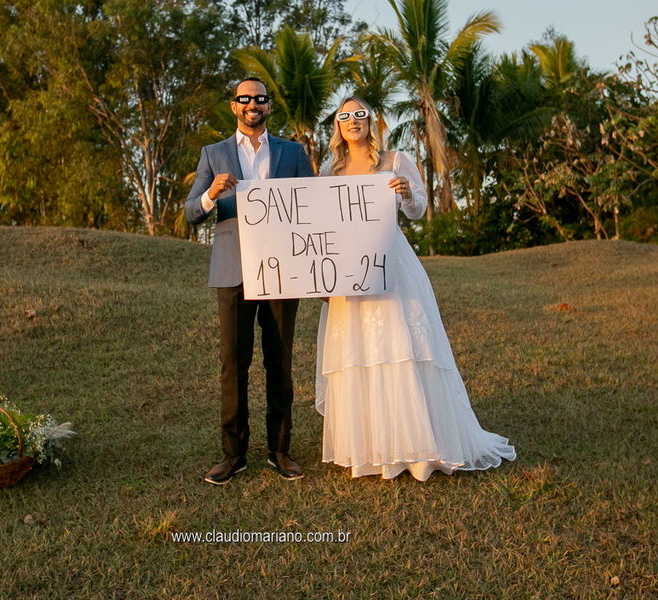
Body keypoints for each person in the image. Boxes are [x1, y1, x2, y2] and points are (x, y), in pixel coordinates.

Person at [315, 96, 517, 481]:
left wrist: (407, 192)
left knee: (400, 347)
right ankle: (370, 449)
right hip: (347, 270)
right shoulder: (329, 170)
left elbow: (418, 209)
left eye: (360, 114)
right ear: (337, 125)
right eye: (345, 116)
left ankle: (417, 447)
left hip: (390, 263)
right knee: (359, 350)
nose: (353, 121)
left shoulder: (395, 161)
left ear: (370, 122)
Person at [185, 77, 315, 485]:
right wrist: (211, 194)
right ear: (234, 106)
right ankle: (233, 454)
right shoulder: (213, 154)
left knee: (280, 361)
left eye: (259, 98)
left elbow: (316, 206)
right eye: (245, 98)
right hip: (233, 272)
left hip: (284, 271)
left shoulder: (293, 153)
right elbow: (191, 212)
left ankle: (280, 450)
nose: (252, 104)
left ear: (268, 106)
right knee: (233, 363)